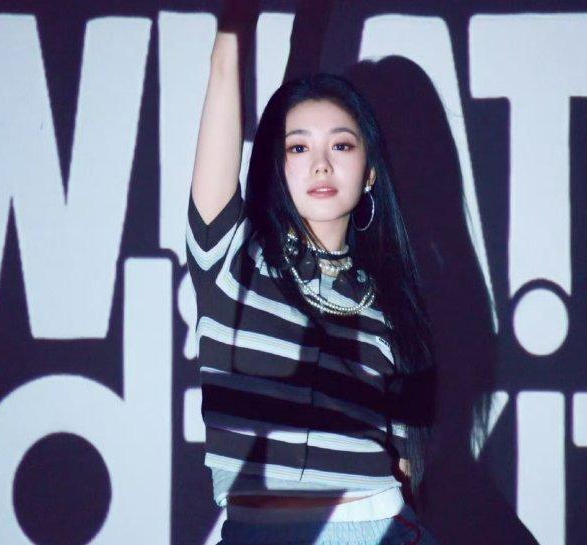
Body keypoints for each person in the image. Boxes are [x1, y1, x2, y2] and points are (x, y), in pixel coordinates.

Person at [186, 4, 439, 544]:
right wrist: (237, 22)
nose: (321, 164)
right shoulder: (232, 260)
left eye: (341, 145)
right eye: (298, 147)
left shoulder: (386, 305)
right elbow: (224, 71)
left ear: (369, 173)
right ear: (276, 166)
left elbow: (402, 462)